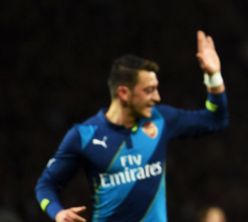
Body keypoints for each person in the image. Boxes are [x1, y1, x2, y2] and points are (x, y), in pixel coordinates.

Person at [35, 31, 229, 222]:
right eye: (149, 90)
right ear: (123, 93)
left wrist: (213, 77)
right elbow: (45, 186)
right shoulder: (84, 136)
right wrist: (57, 213)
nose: (157, 97)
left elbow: (215, 120)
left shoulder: (161, 119)